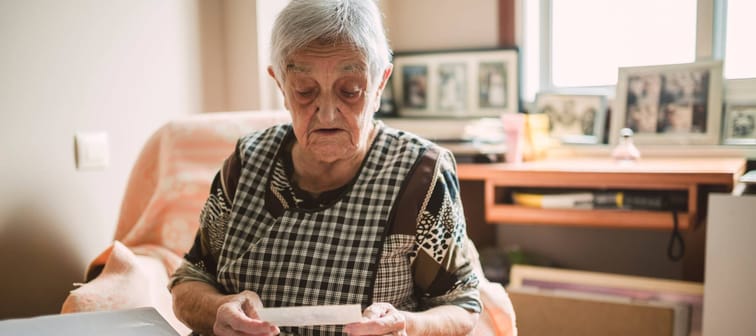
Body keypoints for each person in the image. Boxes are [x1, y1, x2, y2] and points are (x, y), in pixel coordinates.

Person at [168, 1, 482, 335]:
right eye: (305, 91)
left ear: (380, 83)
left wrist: (407, 325)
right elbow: (190, 279)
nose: (328, 113)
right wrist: (218, 310)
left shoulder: (421, 176)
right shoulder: (247, 161)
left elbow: (461, 304)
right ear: (281, 86)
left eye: (351, 91)